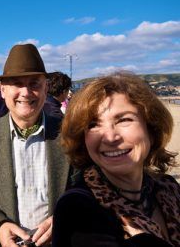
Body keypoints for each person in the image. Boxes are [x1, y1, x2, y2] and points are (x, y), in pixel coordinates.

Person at [53, 72, 180, 247]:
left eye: (124, 120)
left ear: (151, 129)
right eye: (93, 125)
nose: (110, 137)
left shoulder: (169, 188)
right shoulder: (79, 208)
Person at [0, 44, 71, 247]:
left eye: (34, 84)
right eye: (17, 84)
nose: (26, 92)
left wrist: (65, 219)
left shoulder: (69, 135)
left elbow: (85, 187)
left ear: (46, 88)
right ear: (3, 90)